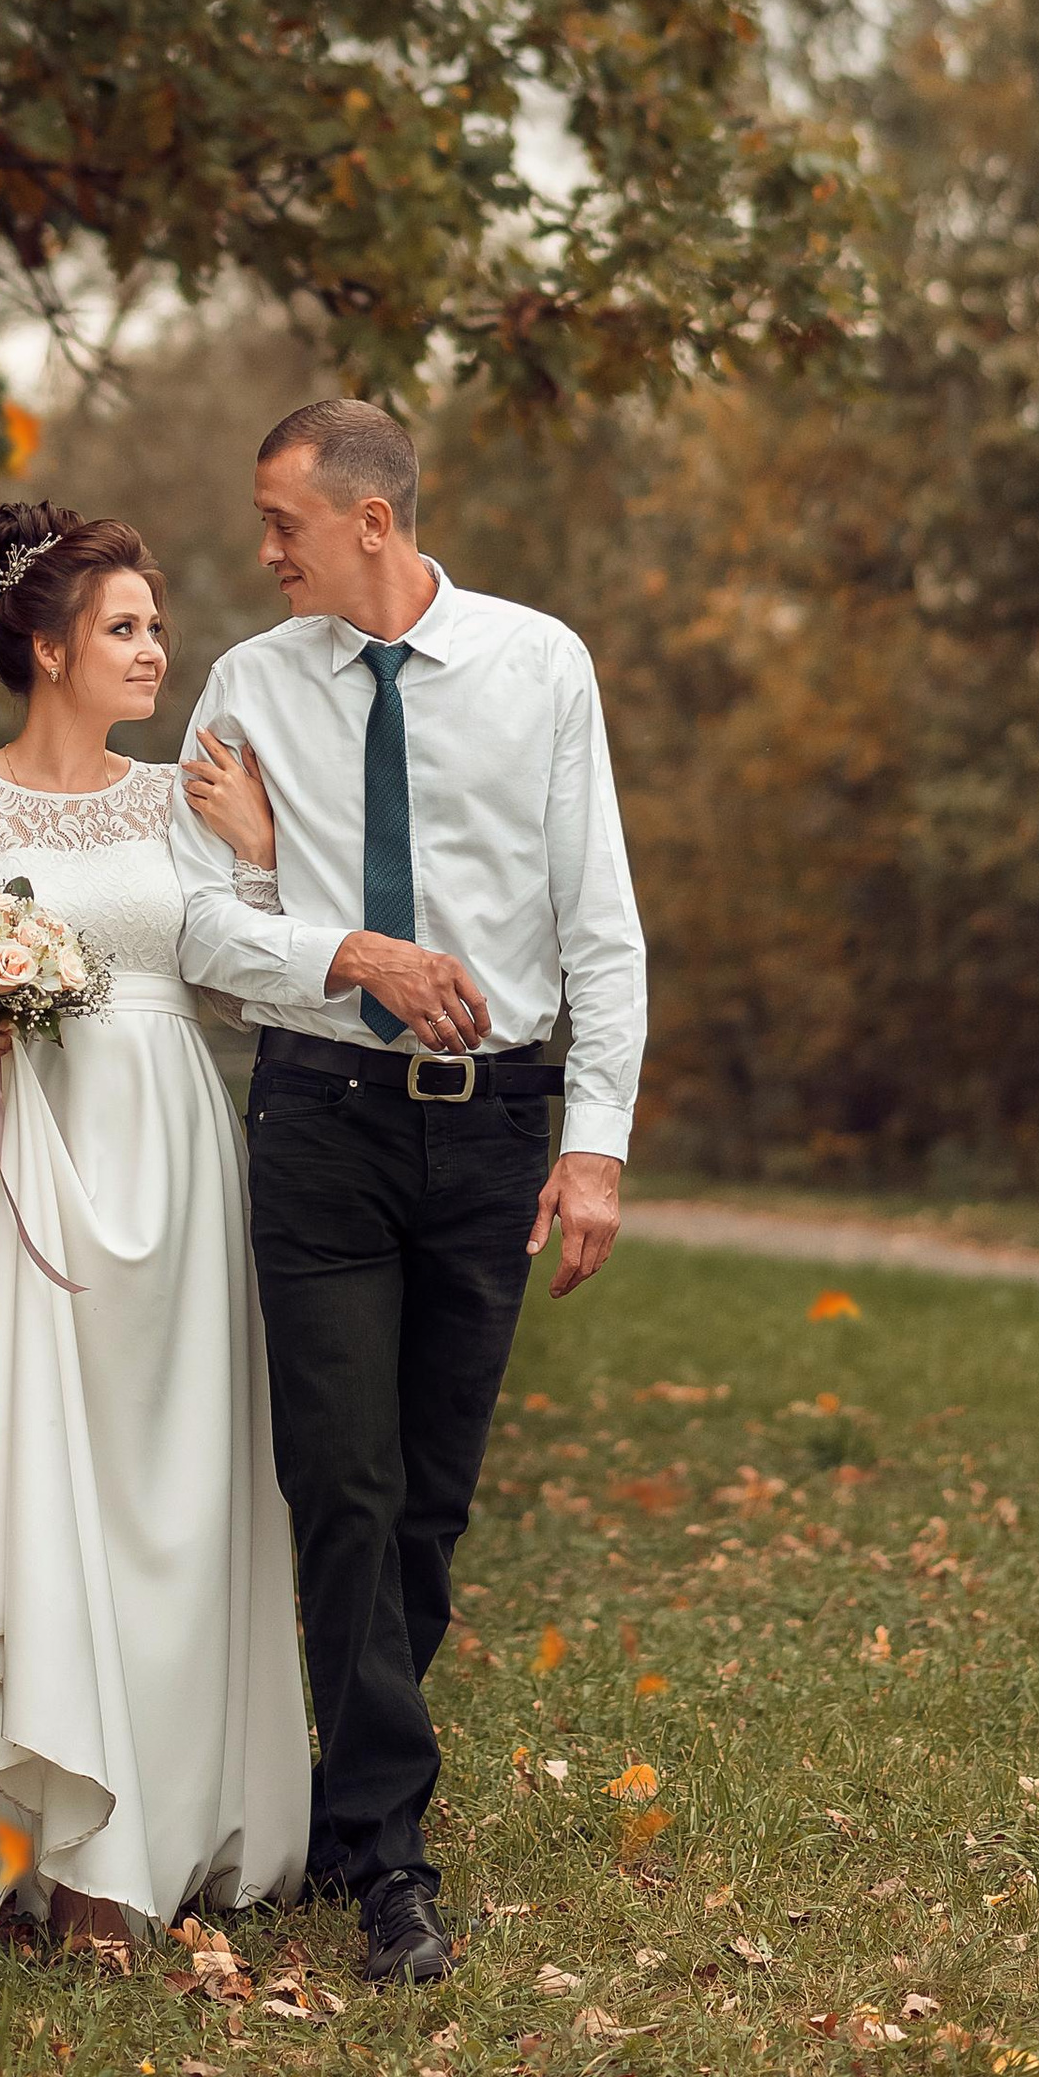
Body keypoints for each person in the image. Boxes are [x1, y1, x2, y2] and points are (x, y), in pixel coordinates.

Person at [171, 398, 645, 1988]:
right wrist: (346, 950)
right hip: (318, 1118)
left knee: (428, 1496)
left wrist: (595, 1143)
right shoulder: (247, 686)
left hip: (494, 1125)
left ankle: (344, 1804)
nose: (263, 552)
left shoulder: (540, 667)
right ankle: (395, 1864)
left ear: (370, 520)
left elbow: (601, 924)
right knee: (345, 1483)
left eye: (282, 522)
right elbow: (198, 928)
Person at [0, 502, 311, 1961]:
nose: (157, 650)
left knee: (177, 1500)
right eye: (124, 627)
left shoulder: (187, 796)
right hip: (37, 1162)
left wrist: (265, 861)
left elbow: (257, 981)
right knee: (65, 1492)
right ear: (47, 647)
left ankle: (169, 1838)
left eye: (157, 627)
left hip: (173, 1159)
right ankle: (73, 1854)